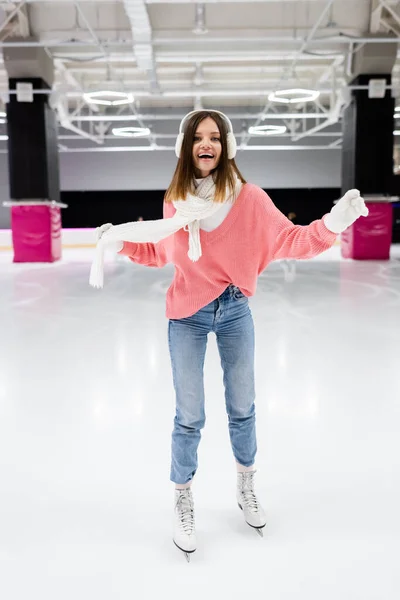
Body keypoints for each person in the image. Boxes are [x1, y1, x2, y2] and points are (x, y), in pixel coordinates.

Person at [92, 110, 368, 561]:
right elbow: (160, 251)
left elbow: (292, 240)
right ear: (186, 146)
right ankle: (183, 496)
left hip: (235, 309)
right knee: (190, 414)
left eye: (215, 137)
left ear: (227, 146)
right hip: (187, 314)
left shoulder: (250, 199)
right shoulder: (176, 203)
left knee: (242, 406)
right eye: (198, 137)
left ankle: (246, 485)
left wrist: (335, 222)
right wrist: (117, 242)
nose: (207, 144)